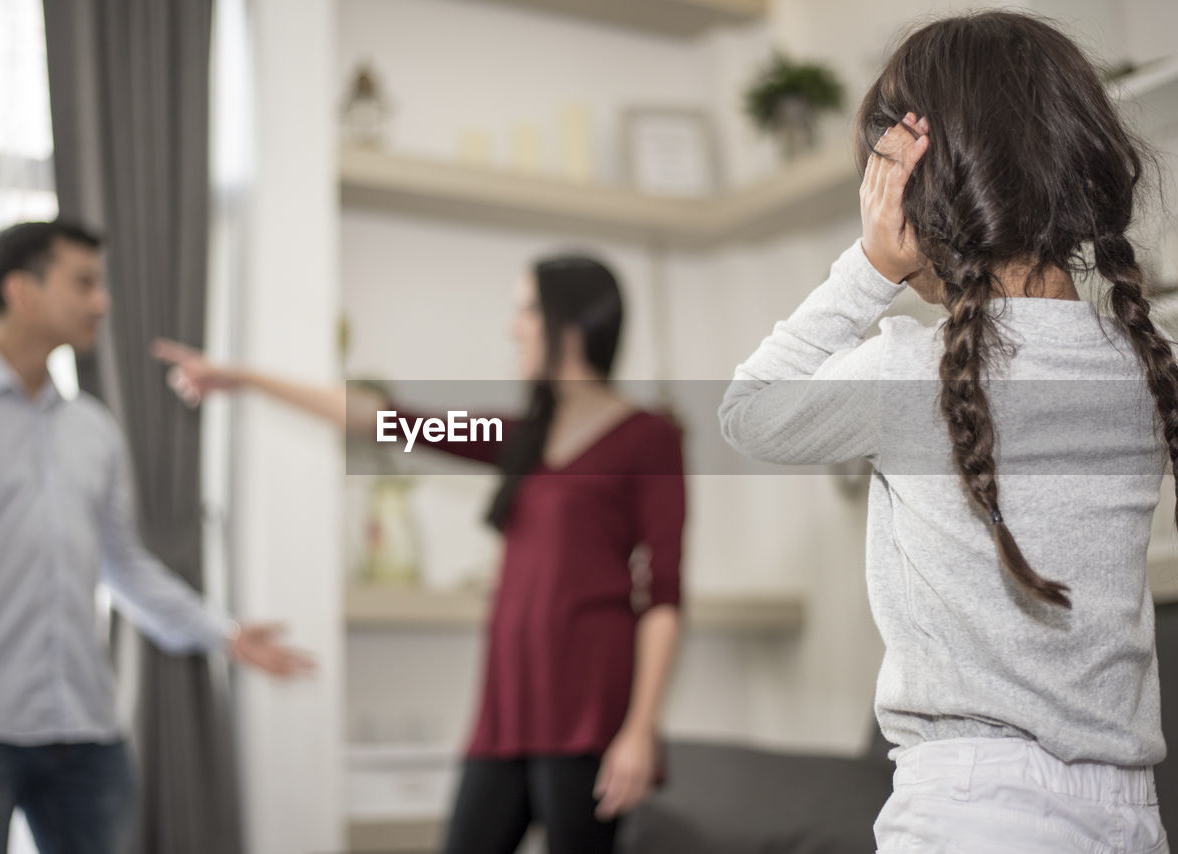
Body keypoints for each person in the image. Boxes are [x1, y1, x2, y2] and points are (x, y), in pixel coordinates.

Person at [720, 11, 1173, 853]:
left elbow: (748, 412)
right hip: (1131, 816)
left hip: (974, 810)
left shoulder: (909, 374)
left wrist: (869, 269)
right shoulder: (1147, 370)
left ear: (918, 195)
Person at [154, 252, 685, 854]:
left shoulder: (650, 440)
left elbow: (664, 593)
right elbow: (384, 421)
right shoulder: (519, 439)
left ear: (573, 324)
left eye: (526, 311)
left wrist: (640, 729)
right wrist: (243, 379)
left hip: (590, 707)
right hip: (509, 706)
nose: (514, 328)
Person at [0, 220, 313, 854]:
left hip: (86, 735)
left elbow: (125, 567)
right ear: (21, 290)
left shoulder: (94, 431)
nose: (103, 302)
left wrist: (222, 632)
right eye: (84, 282)